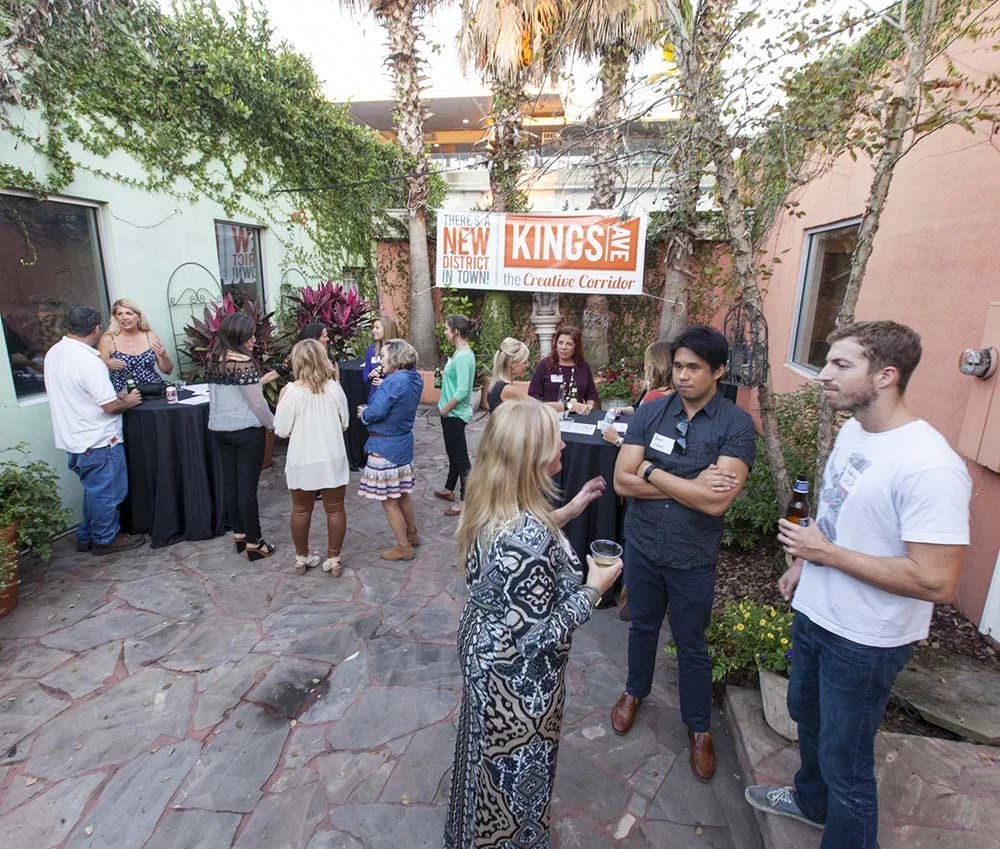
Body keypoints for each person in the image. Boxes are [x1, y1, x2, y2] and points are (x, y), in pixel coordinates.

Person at [745, 321, 971, 849]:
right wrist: (806, 565)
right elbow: (839, 517)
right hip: (817, 612)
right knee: (807, 718)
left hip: (866, 639)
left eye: (841, 364)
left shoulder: (930, 466)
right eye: (827, 361)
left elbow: (937, 580)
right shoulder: (854, 431)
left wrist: (826, 554)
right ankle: (811, 802)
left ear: (886, 375)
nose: (822, 374)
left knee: (846, 763)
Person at [444, 399, 623, 849]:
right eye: (553, 439)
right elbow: (537, 636)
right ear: (531, 456)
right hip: (517, 683)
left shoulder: (492, 503)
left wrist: (569, 511)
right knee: (515, 777)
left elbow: (522, 544)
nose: (563, 444)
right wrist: (594, 588)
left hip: (484, 653)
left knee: (481, 764)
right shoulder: (529, 539)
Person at [609, 325, 756, 783]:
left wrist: (650, 471)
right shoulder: (651, 411)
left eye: (694, 368)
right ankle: (635, 691)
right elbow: (620, 481)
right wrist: (690, 484)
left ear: (719, 371)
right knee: (642, 626)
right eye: (677, 366)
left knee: (692, 643)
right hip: (643, 545)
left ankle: (698, 727)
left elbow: (715, 503)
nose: (683, 376)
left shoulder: (735, 425)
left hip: (693, 556)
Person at [43, 306, 146, 555]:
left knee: (94, 491)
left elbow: (83, 393)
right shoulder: (89, 362)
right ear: (96, 329)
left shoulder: (55, 352)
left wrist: (114, 397)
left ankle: (86, 535)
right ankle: (105, 539)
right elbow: (110, 406)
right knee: (108, 494)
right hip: (99, 440)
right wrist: (128, 402)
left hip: (74, 437)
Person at [273, 339, 351, 577]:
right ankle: (334, 558)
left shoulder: (290, 392)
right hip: (332, 455)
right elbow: (345, 422)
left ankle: (301, 557)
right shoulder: (335, 389)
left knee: (300, 509)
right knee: (335, 509)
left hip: (302, 457)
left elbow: (281, 430)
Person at [207, 313, 275, 561]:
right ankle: (255, 543)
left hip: (219, 429)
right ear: (237, 336)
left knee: (231, 485)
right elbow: (257, 403)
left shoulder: (214, 360)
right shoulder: (244, 363)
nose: (254, 340)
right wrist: (271, 424)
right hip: (246, 430)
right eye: (249, 336)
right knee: (247, 489)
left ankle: (240, 534)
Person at [358, 338, 423, 560]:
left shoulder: (393, 382)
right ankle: (412, 533)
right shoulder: (414, 378)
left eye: (384, 356)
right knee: (403, 493)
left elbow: (375, 412)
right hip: (403, 443)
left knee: (390, 501)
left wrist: (363, 413)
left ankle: (404, 547)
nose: (380, 360)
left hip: (385, 446)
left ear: (395, 358)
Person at [435, 315, 476, 517]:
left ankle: (465, 501)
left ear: (456, 332)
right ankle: (448, 489)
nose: (445, 332)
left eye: (447, 329)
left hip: (454, 414)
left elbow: (462, 391)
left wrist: (445, 409)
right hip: (451, 412)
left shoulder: (462, 357)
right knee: (453, 453)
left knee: (461, 459)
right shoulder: (461, 352)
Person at [601, 340, 674, 449]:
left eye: (647, 365)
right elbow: (638, 408)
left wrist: (617, 440)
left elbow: (645, 444)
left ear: (656, 367)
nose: (644, 368)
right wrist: (621, 409)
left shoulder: (655, 397)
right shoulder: (671, 393)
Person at [97, 298, 173, 393]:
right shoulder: (108, 339)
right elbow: (98, 371)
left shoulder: (150, 336)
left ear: (138, 317)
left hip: (153, 390)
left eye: (129, 313)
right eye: (119, 314)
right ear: (115, 318)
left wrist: (164, 355)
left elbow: (168, 371)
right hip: (124, 394)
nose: (124, 317)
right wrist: (106, 364)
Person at [527, 325, 599, 413]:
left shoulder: (583, 366)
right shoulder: (545, 364)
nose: (563, 347)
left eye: (569, 344)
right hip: (550, 414)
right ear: (555, 344)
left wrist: (588, 407)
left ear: (576, 347)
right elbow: (533, 394)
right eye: (560, 343)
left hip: (578, 415)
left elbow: (591, 394)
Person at [262, 323, 338, 385]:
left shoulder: (328, 357)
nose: (328, 339)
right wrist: (257, 385)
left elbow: (336, 380)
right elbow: (274, 374)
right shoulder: (297, 357)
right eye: (325, 337)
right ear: (314, 339)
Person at [362, 314, 400, 404]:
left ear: (387, 330)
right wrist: (370, 375)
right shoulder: (371, 349)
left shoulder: (400, 351)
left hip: (393, 397)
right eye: (373, 328)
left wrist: (386, 383)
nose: (373, 331)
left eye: (377, 328)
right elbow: (365, 374)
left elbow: (406, 377)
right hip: (375, 397)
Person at [487, 336, 530, 411]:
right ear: (512, 363)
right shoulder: (508, 390)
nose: (527, 365)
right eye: (524, 362)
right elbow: (537, 406)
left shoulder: (496, 384)